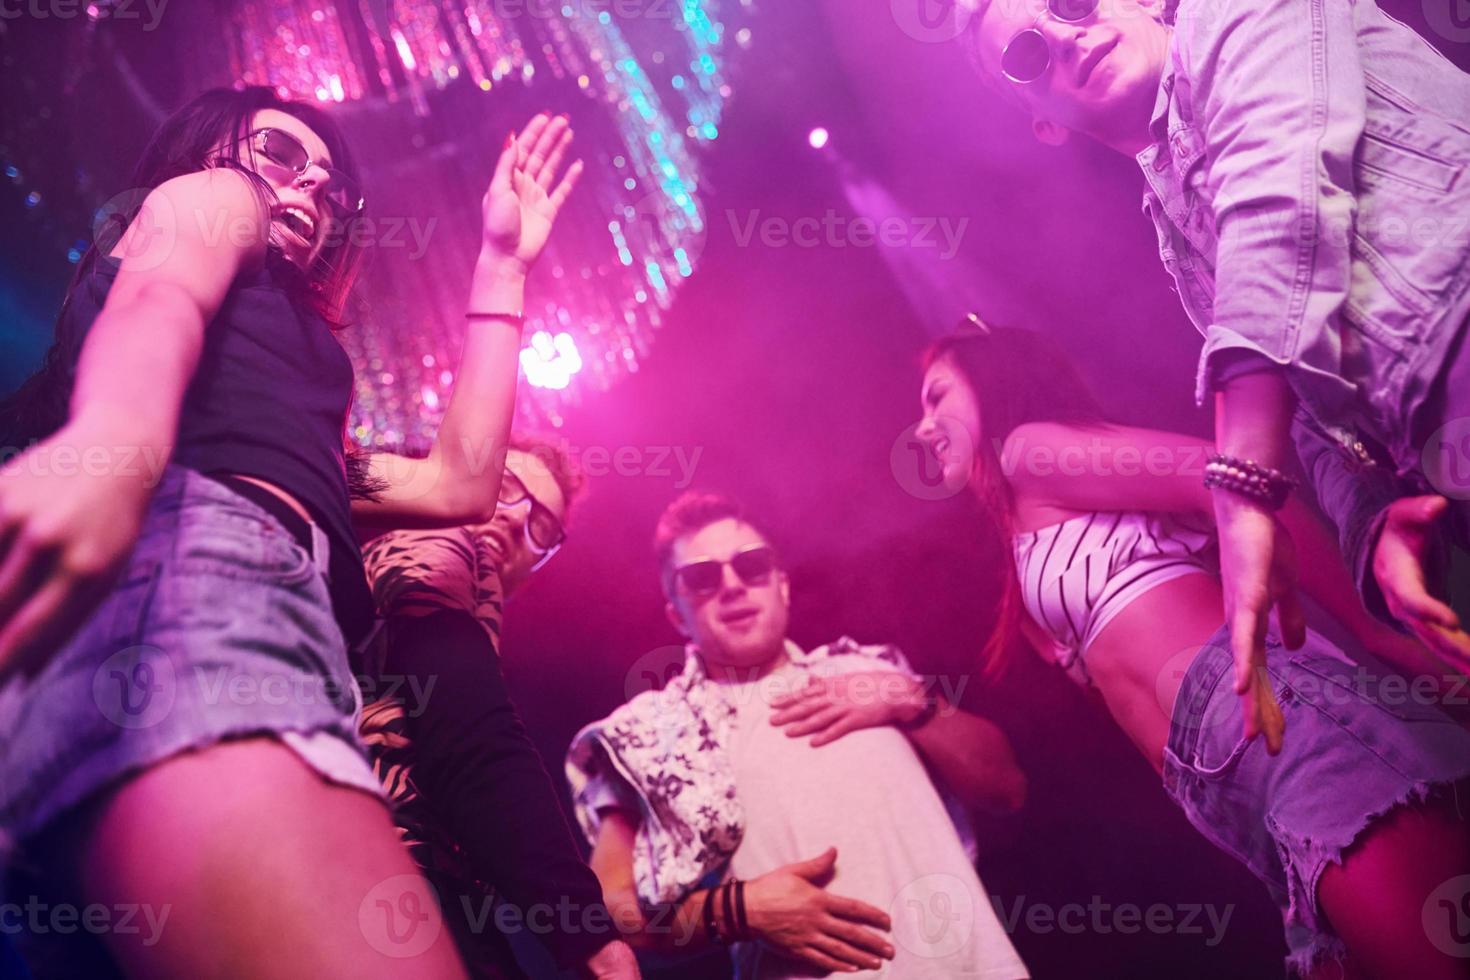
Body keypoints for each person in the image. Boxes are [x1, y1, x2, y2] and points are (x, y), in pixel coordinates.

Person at [0, 87, 581, 977]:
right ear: (213, 152)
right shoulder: (212, 195)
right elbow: (160, 297)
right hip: (200, 585)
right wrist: (113, 450)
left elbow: (458, 483)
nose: (308, 186)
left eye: (329, 183)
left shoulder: (288, 396)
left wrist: (501, 265)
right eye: (278, 153)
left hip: (202, 617)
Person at [955, 0, 1470, 747]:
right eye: (1029, 55)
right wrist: (1376, 522)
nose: (1067, 35)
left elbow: (1282, 200)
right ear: (1044, 122)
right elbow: (1310, 418)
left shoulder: (1238, 11)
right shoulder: (1172, 226)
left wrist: (1237, 483)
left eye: (1071, 2)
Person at [914, 317, 1470, 978]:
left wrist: (1374, 630)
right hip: (1229, 787)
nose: (922, 427)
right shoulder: (1024, 517)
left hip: (1271, 718)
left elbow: (1233, 476)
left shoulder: (1028, 450)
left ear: (991, 381)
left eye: (937, 396)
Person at [565, 491, 1030, 979]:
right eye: (702, 577)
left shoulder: (868, 670)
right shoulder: (651, 734)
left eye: (752, 565)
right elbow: (607, 913)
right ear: (677, 613)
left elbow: (1007, 789)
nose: (732, 586)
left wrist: (915, 702)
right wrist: (740, 909)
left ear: (782, 586)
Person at [356, 434, 638, 978]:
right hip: (383, 887)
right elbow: (473, 741)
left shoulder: (459, 596)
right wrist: (586, 933)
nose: (514, 519)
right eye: (504, 487)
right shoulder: (438, 545)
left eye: (543, 527)